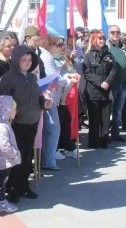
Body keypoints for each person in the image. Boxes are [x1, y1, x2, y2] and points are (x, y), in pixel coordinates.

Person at [0, 45, 53, 204]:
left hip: (32, 122)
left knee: (27, 156)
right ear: (16, 60)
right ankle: (12, 188)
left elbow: (37, 96)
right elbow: (2, 100)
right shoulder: (8, 78)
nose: (27, 63)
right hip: (16, 123)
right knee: (16, 158)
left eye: (29, 60)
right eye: (24, 60)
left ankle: (24, 186)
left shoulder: (32, 77)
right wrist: (10, 113)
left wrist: (44, 103)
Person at [39, 35, 77, 169]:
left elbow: (56, 75)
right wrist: (68, 80)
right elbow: (53, 78)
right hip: (49, 97)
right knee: (53, 129)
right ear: (51, 45)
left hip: (50, 97)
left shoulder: (47, 56)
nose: (61, 47)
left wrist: (65, 74)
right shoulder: (47, 57)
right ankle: (48, 161)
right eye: (59, 45)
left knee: (51, 129)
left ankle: (47, 160)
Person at [83, 31, 116, 148]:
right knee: (94, 118)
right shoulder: (88, 55)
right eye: (99, 39)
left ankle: (104, 139)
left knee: (105, 118)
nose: (101, 41)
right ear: (94, 40)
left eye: (103, 39)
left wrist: (108, 81)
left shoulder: (109, 55)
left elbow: (113, 70)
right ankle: (94, 141)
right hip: (93, 90)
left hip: (106, 90)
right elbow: (87, 73)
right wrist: (100, 82)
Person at [106, 25, 126, 142]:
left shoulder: (125, 48)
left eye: (117, 32)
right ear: (109, 33)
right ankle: (104, 133)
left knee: (118, 110)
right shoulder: (106, 47)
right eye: (112, 32)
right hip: (111, 83)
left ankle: (115, 133)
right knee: (108, 110)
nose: (115, 34)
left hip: (123, 83)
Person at [0, 96, 21, 213]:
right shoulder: (2, 126)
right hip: (5, 159)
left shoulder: (2, 123)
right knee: (3, 180)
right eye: (14, 109)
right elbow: (4, 146)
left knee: (2, 179)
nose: (16, 112)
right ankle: (2, 202)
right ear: (6, 110)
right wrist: (14, 154)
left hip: (4, 158)